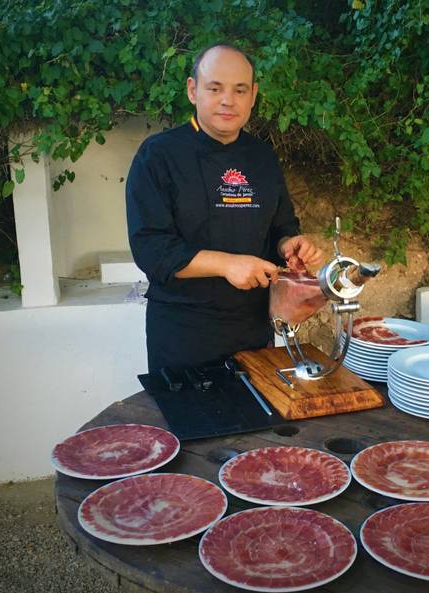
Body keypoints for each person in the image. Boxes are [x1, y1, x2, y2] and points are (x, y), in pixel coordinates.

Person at [126, 43, 322, 375]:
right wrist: (227, 264)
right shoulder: (158, 156)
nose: (228, 100)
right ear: (192, 90)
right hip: (182, 334)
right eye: (215, 88)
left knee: (258, 425)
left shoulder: (262, 158)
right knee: (191, 426)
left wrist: (290, 245)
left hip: (254, 332)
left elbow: (282, 226)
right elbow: (151, 248)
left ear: (253, 95)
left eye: (240, 90)